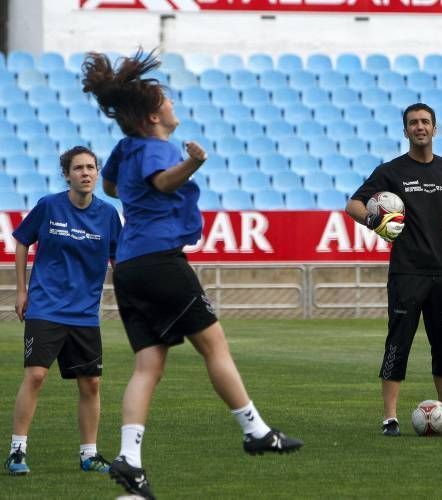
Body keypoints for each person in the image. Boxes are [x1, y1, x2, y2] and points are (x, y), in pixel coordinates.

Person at [81, 49, 301, 499]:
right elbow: (163, 182)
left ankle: (130, 459)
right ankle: (255, 430)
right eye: (167, 102)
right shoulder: (159, 147)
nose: (173, 106)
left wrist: (137, 194)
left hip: (128, 267)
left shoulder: (126, 147)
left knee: (149, 364)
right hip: (161, 261)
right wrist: (192, 163)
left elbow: (110, 186)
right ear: (152, 116)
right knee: (214, 344)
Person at [345, 103, 442, 436]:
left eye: (425, 121)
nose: (419, 127)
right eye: (413, 122)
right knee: (398, 342)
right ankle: (390, 418)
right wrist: (375, 221)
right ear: (405, 131)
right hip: (407, 271)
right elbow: (353, 205)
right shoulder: (391, 171)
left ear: (435, 128)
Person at [5, 146, 122, 476]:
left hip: (85, 314)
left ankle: (89, 455)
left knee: (91, 384)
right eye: (79, 168)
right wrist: (22, 289)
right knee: (37, 375)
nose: (86, 173)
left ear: (97, 173)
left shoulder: (108, 215)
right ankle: (17, 451)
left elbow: (119, 258)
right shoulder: (48, 206)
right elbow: (21, 241)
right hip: (45, 307)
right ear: (67, 174)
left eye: (91, 167)